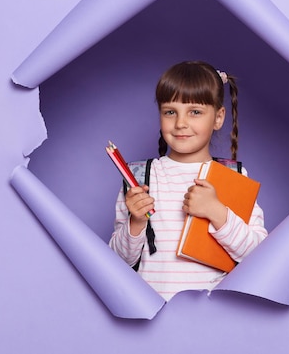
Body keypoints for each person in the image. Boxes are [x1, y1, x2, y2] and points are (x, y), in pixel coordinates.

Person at [109, 61, 267, 301]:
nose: (180, 123)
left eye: (195, 112)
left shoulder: (233, 177)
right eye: (170, 112)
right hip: (150, 313)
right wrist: (136, 223)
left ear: (218, 117)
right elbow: (117, 262)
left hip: (213, 317)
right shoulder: (139, 178)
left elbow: (259, 256)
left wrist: (217, 212)